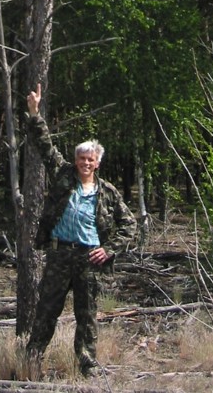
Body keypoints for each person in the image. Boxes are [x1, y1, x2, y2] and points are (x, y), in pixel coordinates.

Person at [24, 84, 137, 378]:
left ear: (97, 163)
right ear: (75, 161)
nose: (86, 163)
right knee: (47, 311)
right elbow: (45, 146)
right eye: (82, 158)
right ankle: (31, 359)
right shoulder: (63, 175)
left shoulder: (108, 192)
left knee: (86, 316)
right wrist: (35, 113)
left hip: (89, 260)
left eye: (91, 159)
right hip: (60, 255)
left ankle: (87, 364)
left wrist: (109, 249)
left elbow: (130, 225)